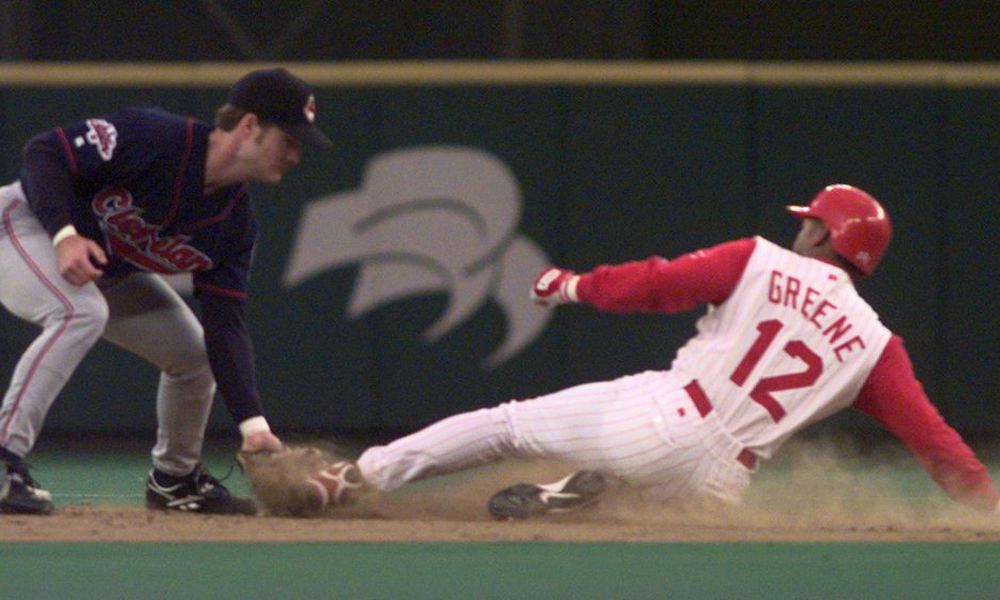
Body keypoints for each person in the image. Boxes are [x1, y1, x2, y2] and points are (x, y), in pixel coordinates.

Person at [301, 184, 1000, 519]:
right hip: (721, 483)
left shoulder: (761, 259)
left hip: (667, 417)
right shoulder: (877, 345)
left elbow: (659, 285)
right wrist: (988, 510)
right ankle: (572, 494)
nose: (802, 229)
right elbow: (938, 446)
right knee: (626, 504)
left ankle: (356, 478)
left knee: (505, 424)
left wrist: (573, 286)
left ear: (827, 238)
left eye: (811, 221)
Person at [0, 67, 332, 516]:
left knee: (195, 356)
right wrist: (64, 235)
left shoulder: (234, 225)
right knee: (81, 312)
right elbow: (44, 152)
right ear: (250, 126)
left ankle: (175, 479)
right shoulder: (155, 136)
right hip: (23, 224)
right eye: (288, 140)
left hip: (101, 267)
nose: (295, 155)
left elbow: (225, 326)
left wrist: (253, 426)